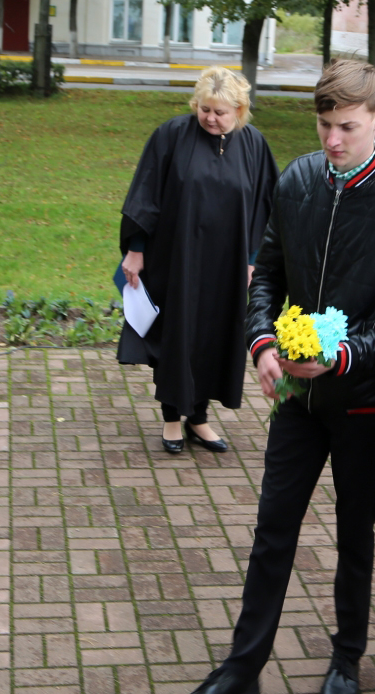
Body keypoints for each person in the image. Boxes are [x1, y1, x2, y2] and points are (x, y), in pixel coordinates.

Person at [177, 59, 375, 694]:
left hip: (366, 400)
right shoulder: (297, 179)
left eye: (347, 126)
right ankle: (242, 668)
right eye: (324, 125)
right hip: (297, 398)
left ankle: (347, 655)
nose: (332, 139)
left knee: (355, 531)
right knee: (273, 528)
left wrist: (346, 355)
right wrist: (262, 343)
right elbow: (265, 272)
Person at [118, 66, 278, 453]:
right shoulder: (171, 135)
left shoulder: (253, 144)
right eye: (204, 109)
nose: (210, 118)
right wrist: (136, 250)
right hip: (176, 258)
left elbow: (265, 207)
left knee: (213, 338)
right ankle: (172, 418)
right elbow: (145, 194)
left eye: (220, 112)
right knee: (177, 334)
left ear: (239, 110)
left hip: (227, 265)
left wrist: (253, 260)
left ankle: (199, 418)